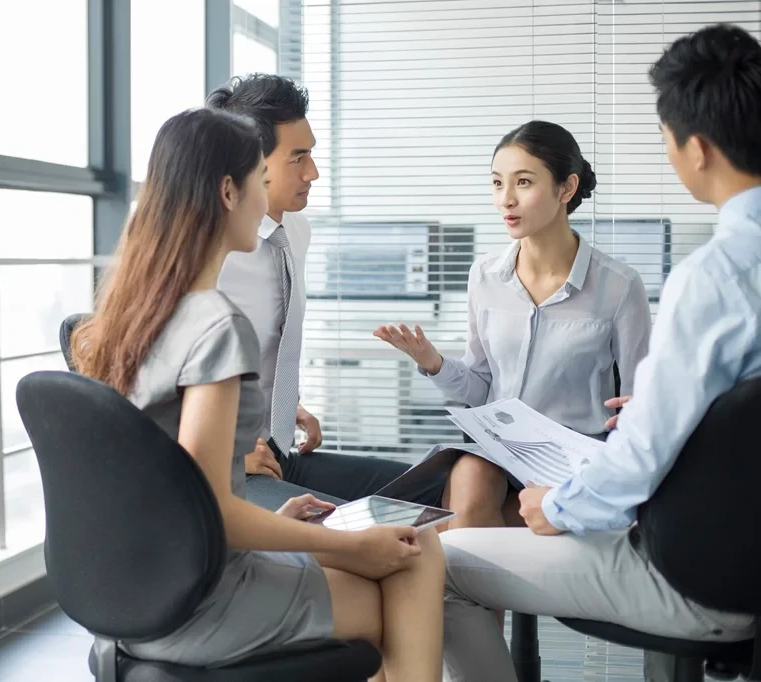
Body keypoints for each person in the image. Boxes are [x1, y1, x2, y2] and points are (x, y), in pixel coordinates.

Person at [70, 107, 445, 680]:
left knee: (371, 545)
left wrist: (280, 524)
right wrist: (354, 548)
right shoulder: (215, 324)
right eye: (256, 182)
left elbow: (170, 485)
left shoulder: (127, 316)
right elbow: (211, 511)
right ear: (228, 190)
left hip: (128, 596)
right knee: (416, 558)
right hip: (201, 601)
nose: (263, 197)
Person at [438, 23, 761, 682]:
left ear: (696, 148)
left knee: (432, 566)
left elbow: (642, 455)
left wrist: (554, 507)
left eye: (665, 139)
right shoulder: (486, 274)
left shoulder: (715, 276)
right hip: (738, 551)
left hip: (699, 575)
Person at [375, 120, 652, 530]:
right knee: (470, 484)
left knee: (460, 528)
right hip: (498, 452)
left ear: (566, 188)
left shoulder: (619, 287)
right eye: (496, 183)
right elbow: (482, 388)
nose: (506, 200)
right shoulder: (484, 275)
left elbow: (638, 403)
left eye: (523, 182)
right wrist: (433, 363)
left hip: (572, 464)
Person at [207, 73, 450, 512]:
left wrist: (286, 407)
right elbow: (148, 388)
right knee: (376, 532)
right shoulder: (209, 248)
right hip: (229, 468)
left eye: (312, 154)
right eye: (297, 158)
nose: (313, 172)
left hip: (280, 451)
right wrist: (226, 454)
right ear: (249, 163)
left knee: (443, 486)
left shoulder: (295, 231)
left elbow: (263, 344)